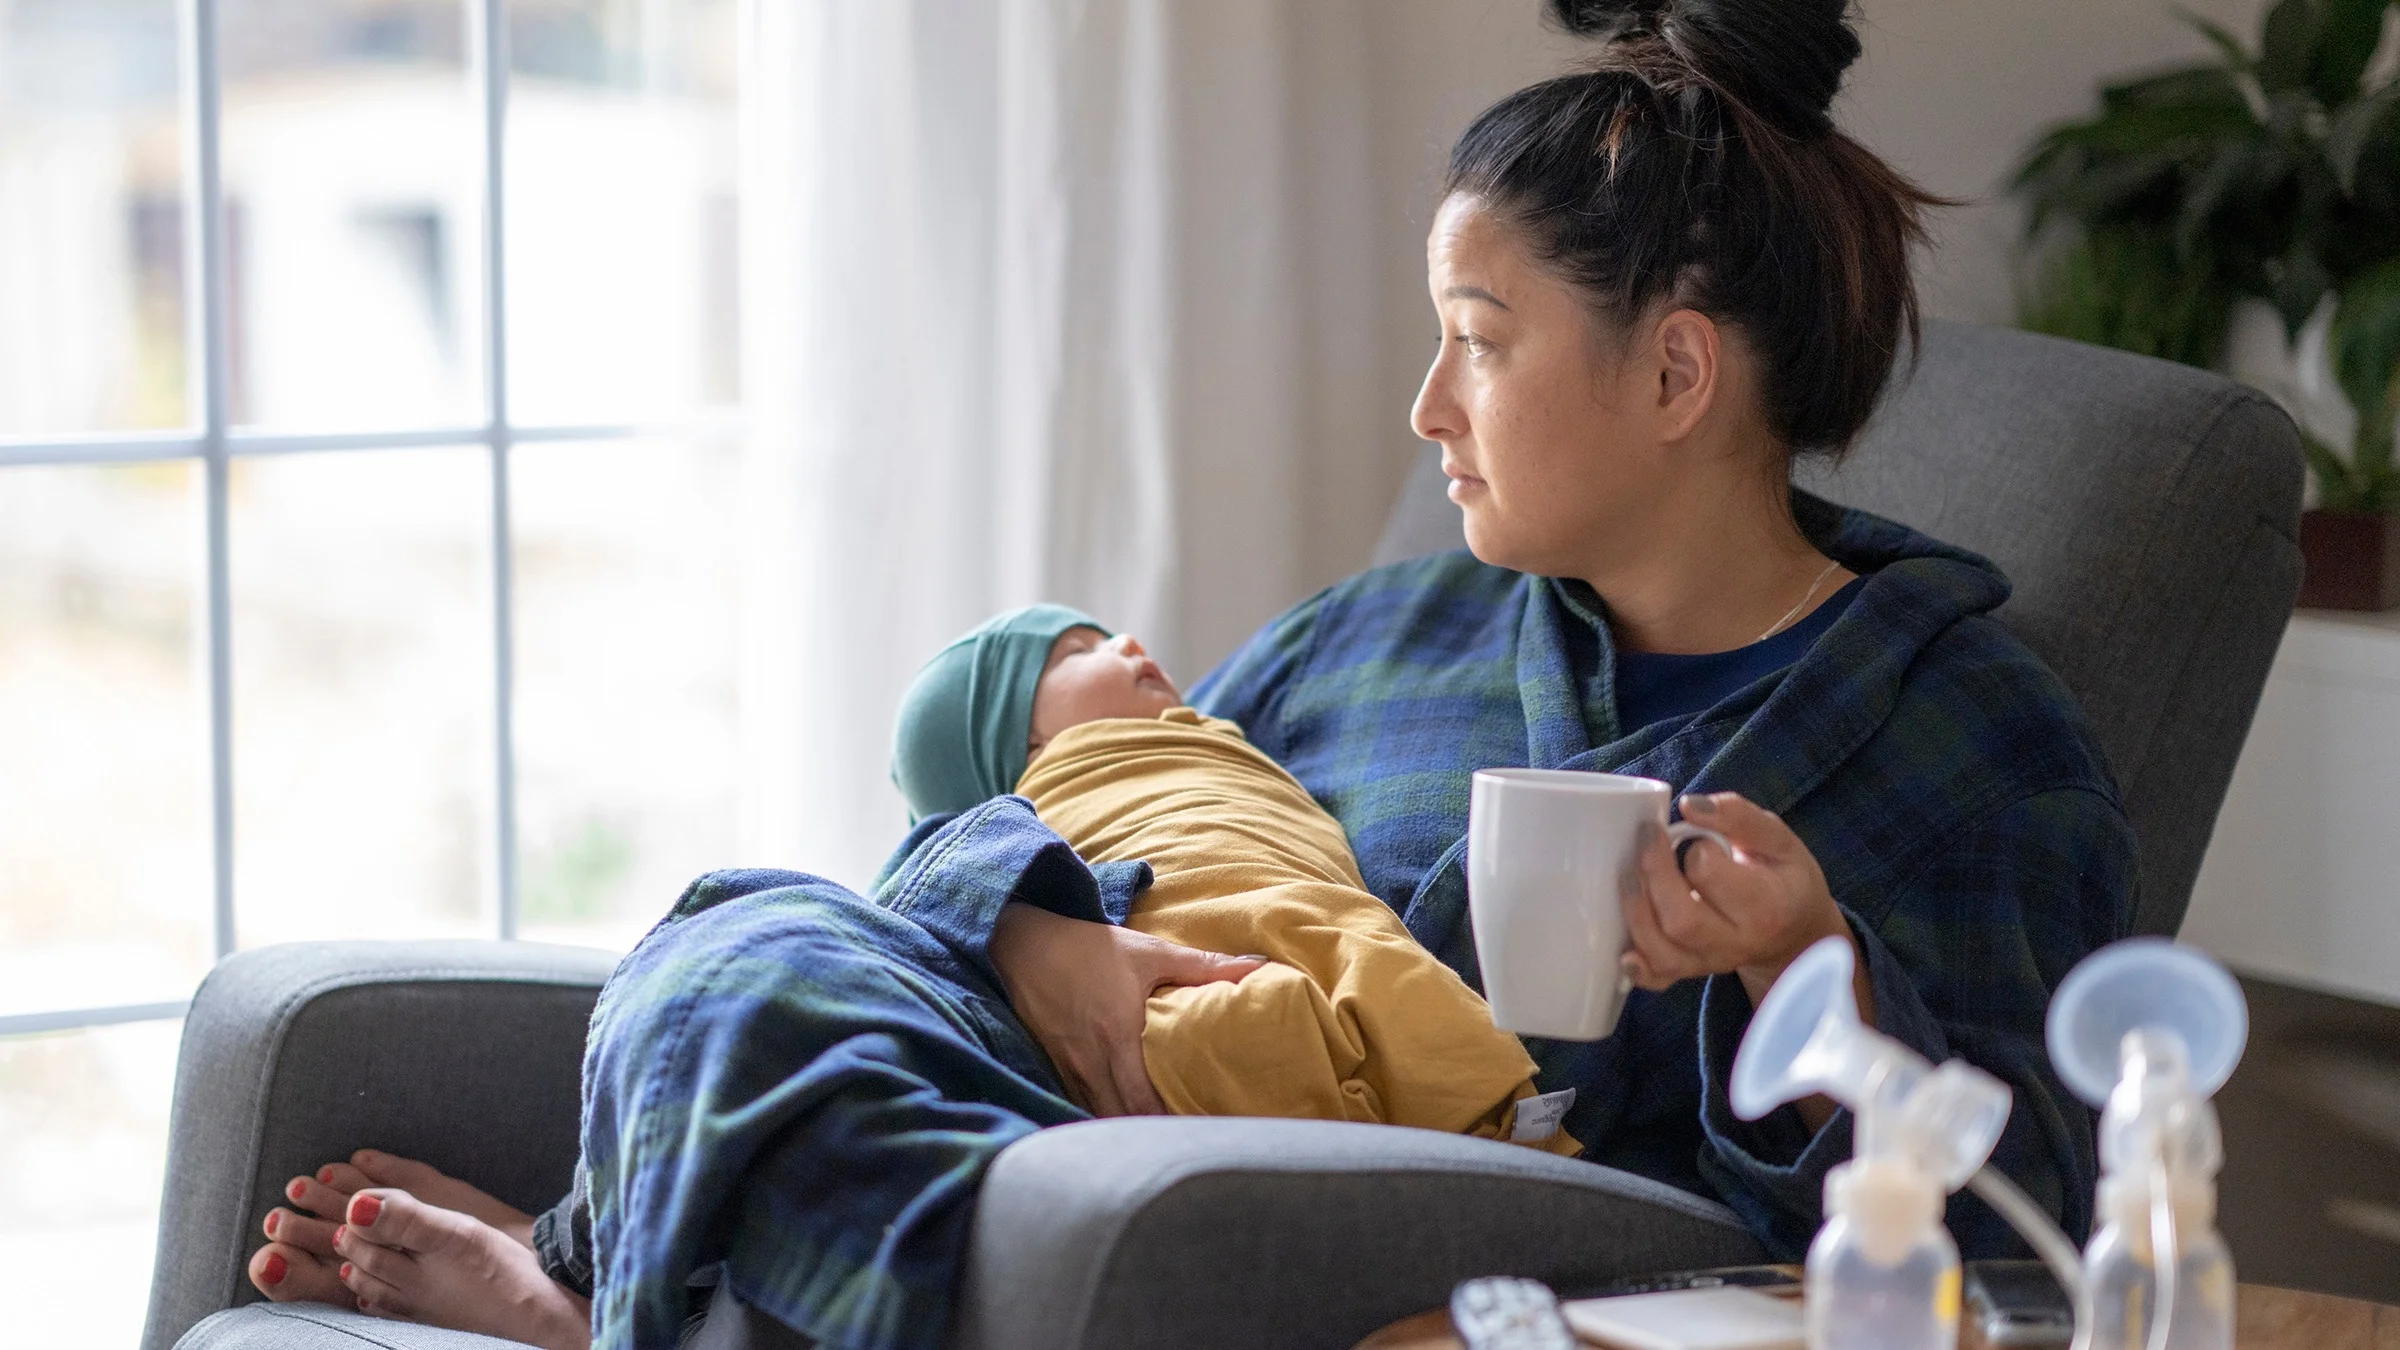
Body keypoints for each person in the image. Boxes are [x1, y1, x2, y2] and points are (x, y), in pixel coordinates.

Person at [242, 1, 2135, 1346]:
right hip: (1067, 1136)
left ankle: (623, 1305)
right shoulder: (1373, 638)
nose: (1426, 410)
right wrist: (1038, 942)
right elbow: (1110, 809)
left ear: (1674, 376)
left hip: (1429, 1245)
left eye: (1480, 343)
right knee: (745, 932)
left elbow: (2034, 1236)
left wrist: (1809, 974)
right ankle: (639, 1284)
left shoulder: (1960, 739)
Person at [891, 603, 1577, 1148]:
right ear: (1027, 747)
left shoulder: (1214, 743)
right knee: (1250, 1018)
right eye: (1078, 653)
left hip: (1281, 942)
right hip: (1169, 990)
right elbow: (922, 882)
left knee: (1305, 995)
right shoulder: (1049, 797)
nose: (1126, 642)